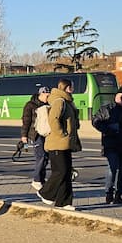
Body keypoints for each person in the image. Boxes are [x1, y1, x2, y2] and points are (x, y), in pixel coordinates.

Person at [41, 78, 81, 210]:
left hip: (65, 143)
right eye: (72, 86)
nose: (73, 89)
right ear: (67, 87)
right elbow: (53, 119)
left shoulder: (68, 102)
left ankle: (64, 202)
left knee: (66, 172)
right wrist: (61, 134)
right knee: (60, 171)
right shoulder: (59, 101)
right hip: (57, 142)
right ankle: (45, 193)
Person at [20, 86, 51, 193]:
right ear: (41, 94)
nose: (48, 97)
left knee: (45, 157)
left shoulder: (48, 105)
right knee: (41, 157)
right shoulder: (30, 105)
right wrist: (24, 136)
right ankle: (36, 180)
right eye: (47, 96)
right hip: (36, 135)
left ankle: (41, 179)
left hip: (46, 134)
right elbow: (26, 121)